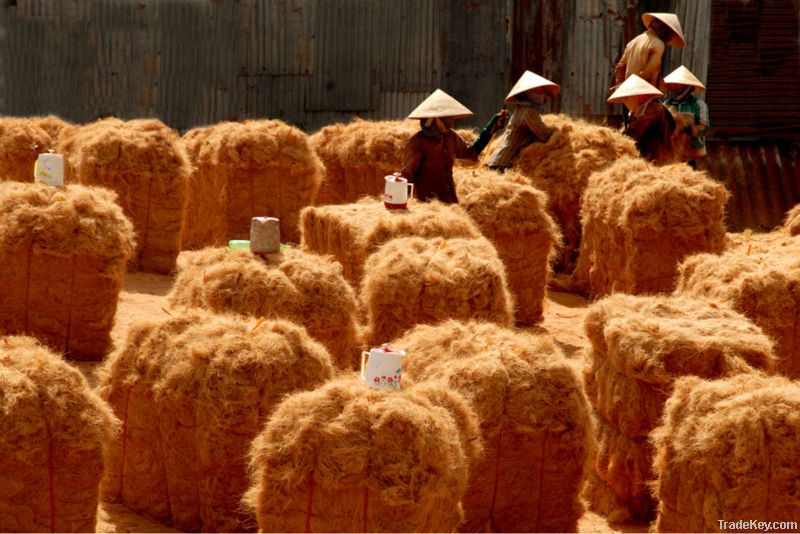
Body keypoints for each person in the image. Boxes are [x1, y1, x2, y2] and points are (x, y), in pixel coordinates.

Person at [401, 89, 505, 204]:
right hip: (426, 205)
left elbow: (471, 152)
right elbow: (406, 177)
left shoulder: (451, 137)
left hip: (449, 201)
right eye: (446, 117)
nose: (450, 121)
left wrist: (491, 127)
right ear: (435, 119)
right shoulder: (417, 143)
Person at [613, 12, 685, 126]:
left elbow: (620, 68)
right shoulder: (658, 44)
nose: (669, 38)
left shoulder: (633, 42)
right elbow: (649, 73)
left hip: (627, 96)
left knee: (629, 132)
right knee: (670, 126)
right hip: (644, 97)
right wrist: (646, 93)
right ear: (664, 29)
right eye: (670, 34)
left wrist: (622, 86)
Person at [485, 70, 560, 170]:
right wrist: (560, 134)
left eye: (542, 90)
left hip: (500, 159)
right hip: (504, 163)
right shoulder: (528, 111)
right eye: (537, 90)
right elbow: (544, 134)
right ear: (527, 93)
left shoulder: (521, 108)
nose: (542, 94)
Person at [608, 74, 676, 164]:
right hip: (648, 159)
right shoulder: (637, 113)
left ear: (638, 97)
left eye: (626, 98)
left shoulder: (653, 109)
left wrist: (613, 141)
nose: (625, 103)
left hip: (658, 160)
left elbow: (633, 132)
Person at [662, 65, 709, 167]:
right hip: (670, 152)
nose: (673, 90)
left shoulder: (698, 105)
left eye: (677, 86)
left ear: (687, 88)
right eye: (673, 86)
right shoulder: (666, 105)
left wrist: (688, 130)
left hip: (690, 152)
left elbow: (704, 128)